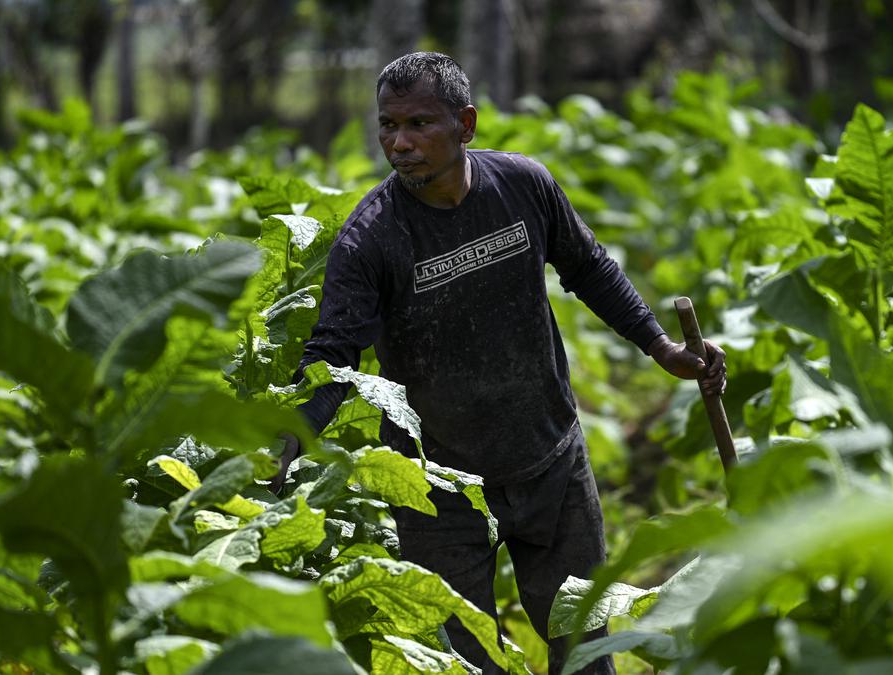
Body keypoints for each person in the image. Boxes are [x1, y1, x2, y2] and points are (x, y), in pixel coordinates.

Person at [274, 51, 725, 674]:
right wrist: (286, 441)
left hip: (550, 464)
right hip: (440, 492)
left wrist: (661, 347)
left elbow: (588, 267)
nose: (398, 143)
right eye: (387, 126)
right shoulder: (370, 239)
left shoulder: (523, 186)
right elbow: (333, 353)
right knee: (464, 662)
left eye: (419, 125)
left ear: (466, 124)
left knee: (585, 652)